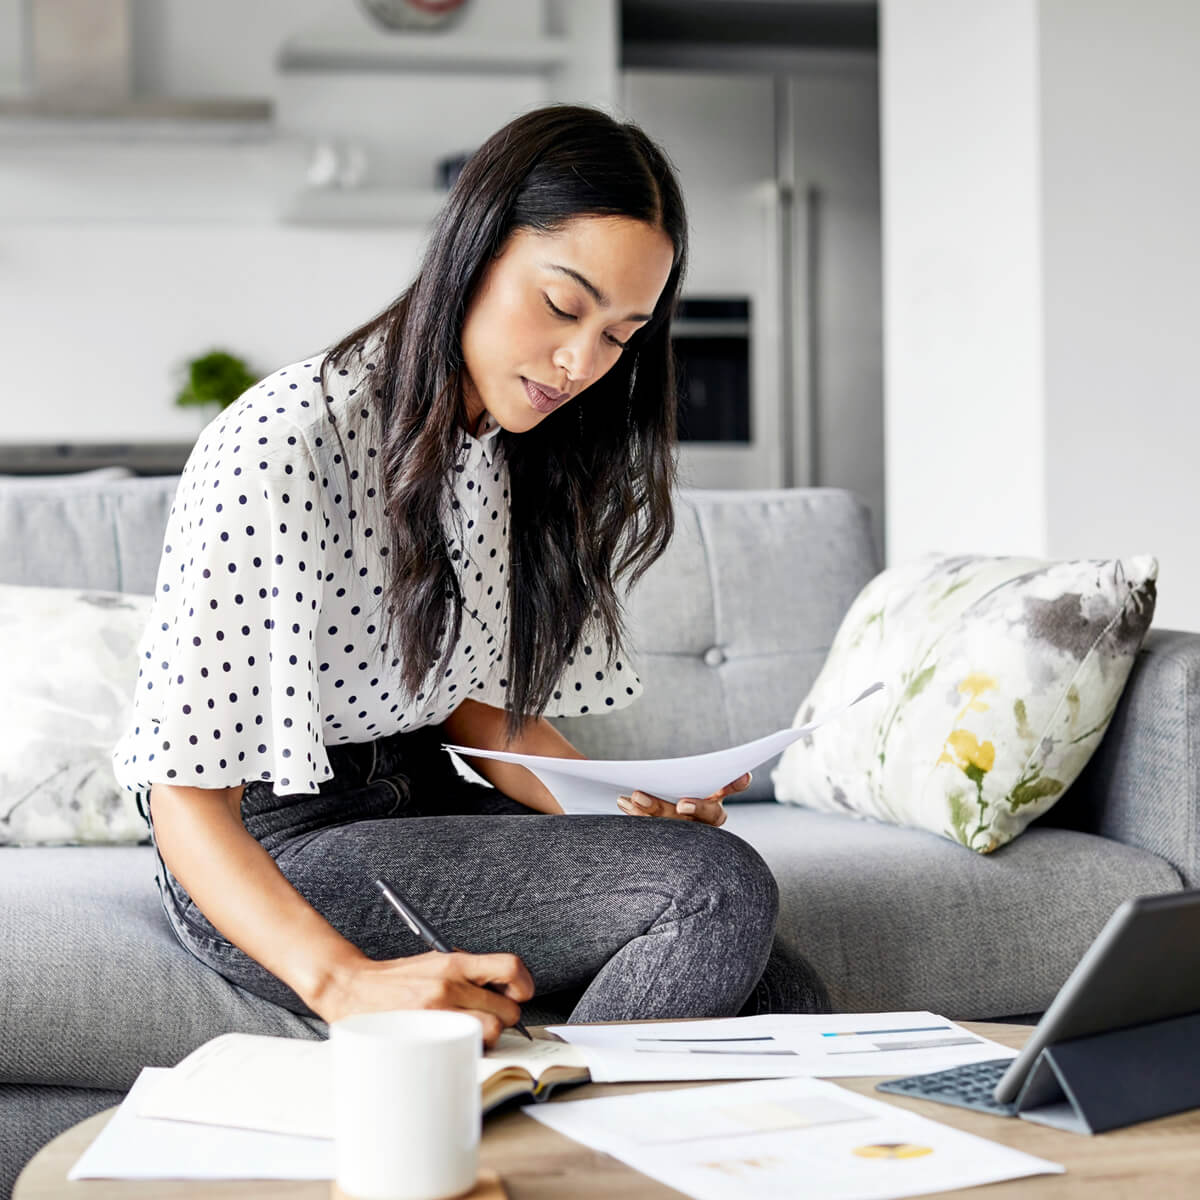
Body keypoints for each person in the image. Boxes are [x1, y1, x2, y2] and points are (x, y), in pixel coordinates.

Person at [112, 104, 829, 1045]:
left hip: (422, 800)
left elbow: (475, 713)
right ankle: (535, 1124)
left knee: (781, 994)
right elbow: (182, 794)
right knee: (716, 890)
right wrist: (343, 983)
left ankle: (555, 1113)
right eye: (563, 306)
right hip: (269, 850)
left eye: (620, 336)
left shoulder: (510, 444)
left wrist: (628, 808)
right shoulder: (286, 442)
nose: (581, 363)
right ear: (473, 251)